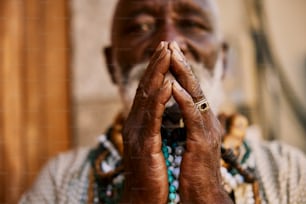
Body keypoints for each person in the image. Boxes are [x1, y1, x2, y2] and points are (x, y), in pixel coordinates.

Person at [20, 0, 306, 203]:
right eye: (141, 26)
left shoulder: (290, 172)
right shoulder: (60, 181)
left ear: (222, 59)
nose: (169, 43)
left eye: (192, 24)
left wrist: (210, 195)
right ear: (111, 64)